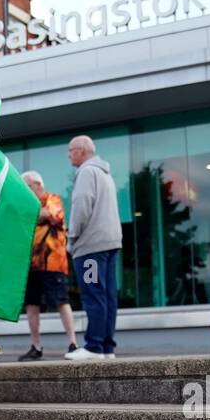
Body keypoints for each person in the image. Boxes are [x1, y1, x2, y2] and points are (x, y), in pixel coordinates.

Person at [65, 137, 123, 360]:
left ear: (81, 151)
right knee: (107, 296)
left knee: (93, 294)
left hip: (90, 247)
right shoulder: (104, 173)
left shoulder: (87, 172)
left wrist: (72, 236)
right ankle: (107, 347)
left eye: (70, 151)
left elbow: (82, 204)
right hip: (110, 243)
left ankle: (94, 346)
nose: (69, 155)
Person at [17, 170, 77, 361]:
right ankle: (36, 346)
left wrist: (32, 213)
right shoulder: (27, 204)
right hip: (31, 264)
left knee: (61, 301)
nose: (25, 191)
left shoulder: (53, 198)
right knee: (32, 305)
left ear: (38, 184)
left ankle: (73, 343)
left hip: (53, 262)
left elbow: (49, 215)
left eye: (27, 186)